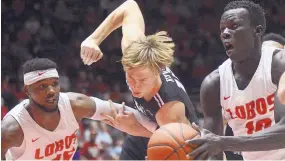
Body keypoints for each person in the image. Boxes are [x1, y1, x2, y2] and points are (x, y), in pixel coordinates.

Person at [80, 0, 199, 160]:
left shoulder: (169, 110)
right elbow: (129, 6)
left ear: (157, 70)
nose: (134, 85)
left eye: (142, 79)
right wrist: (93, 40)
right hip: (147, 129)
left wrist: (135, 128)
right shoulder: (134, 51)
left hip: (174, 142)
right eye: (130, 76)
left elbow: (187, 151)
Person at [1, 58, 158, 160]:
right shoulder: (11, 129)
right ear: (27, 90)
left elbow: (119, 111)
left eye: (54, 84)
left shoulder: (75, 105)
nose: (51, 91)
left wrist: (159, 130)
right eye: (42, 86)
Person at [184, 0, 285, 160]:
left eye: (234, 26)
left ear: (257, 31)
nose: (225, 33)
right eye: (222, 29)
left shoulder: (278, 64)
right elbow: (213, 152)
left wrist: (224, 143)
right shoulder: (213, 84)